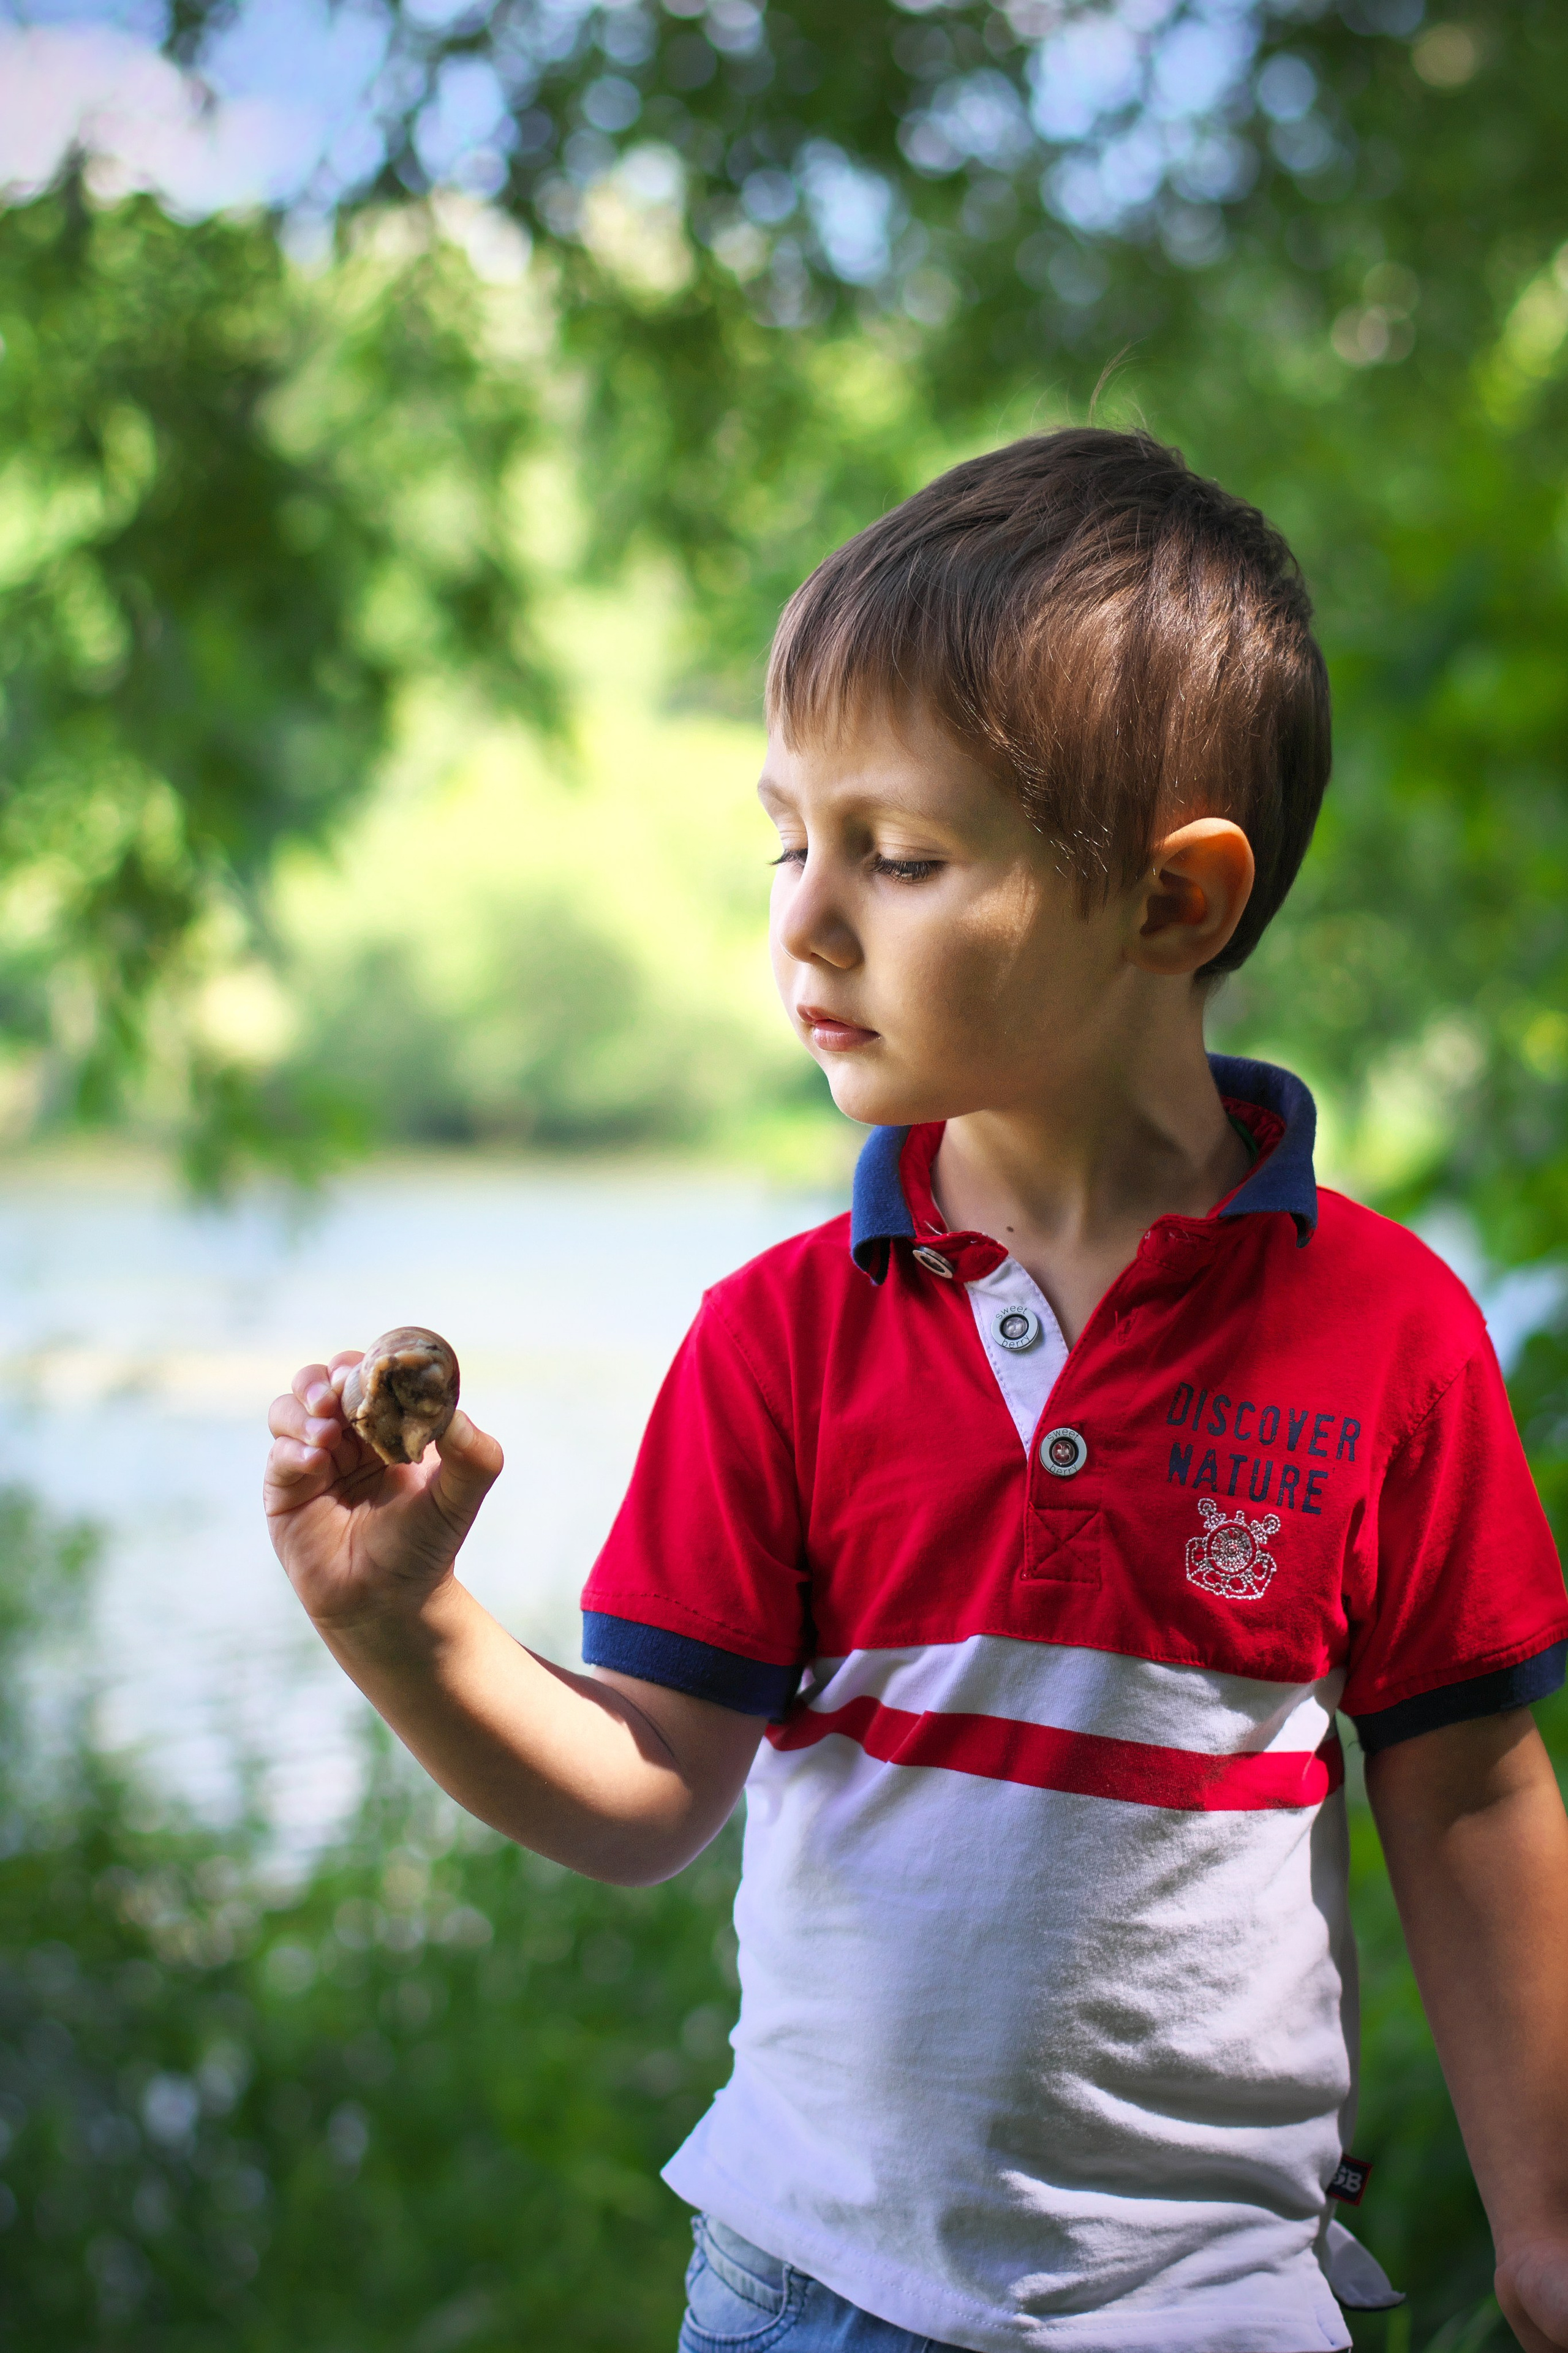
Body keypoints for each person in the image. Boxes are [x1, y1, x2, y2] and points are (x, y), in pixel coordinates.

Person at [265, 429, 1568, 2353]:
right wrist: (405, 1626)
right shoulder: (780, 1337)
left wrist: (1546, 2229)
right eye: (791, 837)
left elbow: (1467, 1794)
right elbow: (643, 1791)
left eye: (899, 855)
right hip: (816, 2290)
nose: (802, 917)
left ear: (1172, 903)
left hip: (1212, 2308)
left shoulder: (1385, 1333)